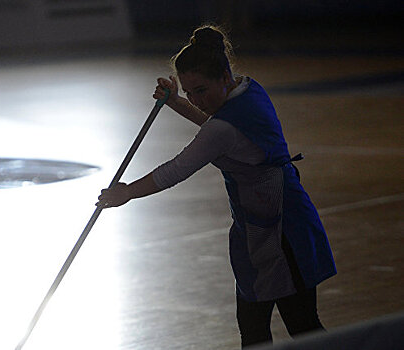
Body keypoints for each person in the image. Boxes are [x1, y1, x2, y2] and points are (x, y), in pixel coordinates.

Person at [96, 25, 337, 348]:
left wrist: (127, 193)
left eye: (201, 90)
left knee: (301, 327)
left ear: (225, 76)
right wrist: (175, 102)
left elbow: (178, 168)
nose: (197, 99)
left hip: (283, 231)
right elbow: (218, 128)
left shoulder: (224, 125)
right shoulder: (248, 89)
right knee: (256, 330)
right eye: (190, 91)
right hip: (259, 229)